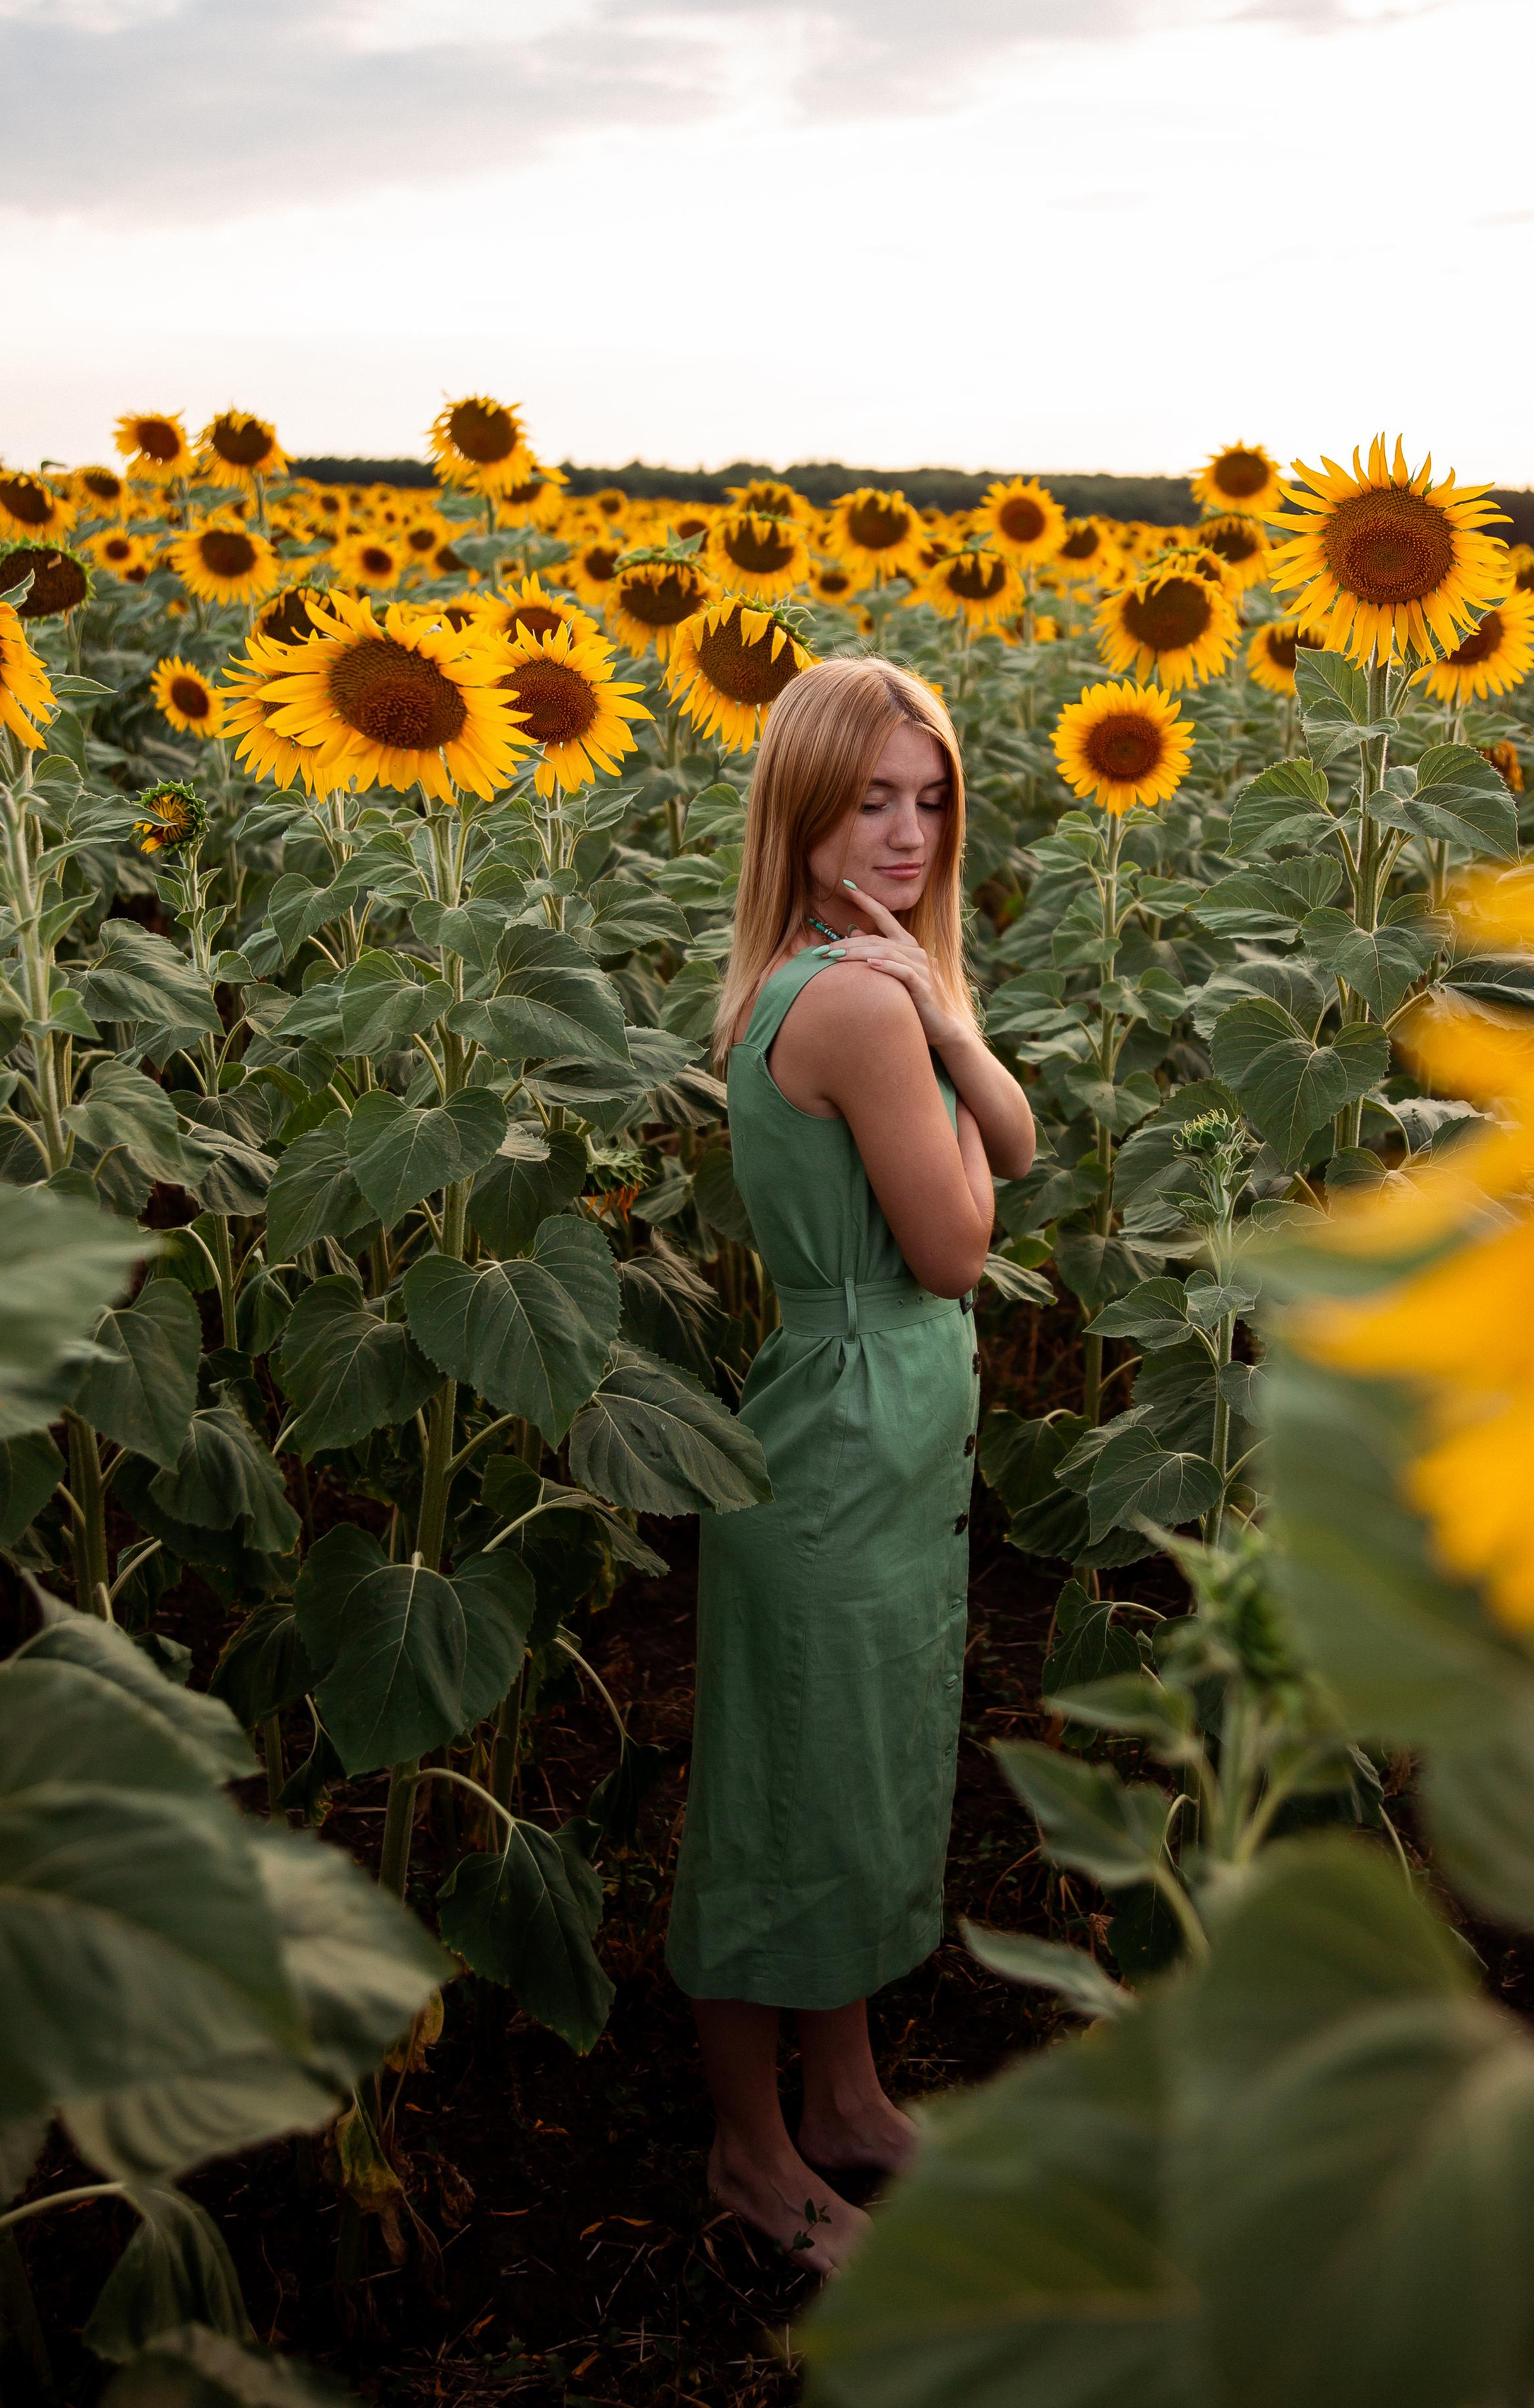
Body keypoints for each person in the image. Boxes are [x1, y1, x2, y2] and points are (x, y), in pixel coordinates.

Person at [666, 655, 1036, 2275]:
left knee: (862, 1760)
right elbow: (963, 1239)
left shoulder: (821, 979)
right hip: (848, 1420)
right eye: (872, 800)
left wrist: (948, 1030)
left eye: (930, 799)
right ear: (803, 809)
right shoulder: (862, 1002)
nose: (907, 834)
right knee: (781, 1794)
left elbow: (1007, 1141)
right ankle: (751, 2155)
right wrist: (946, 1034)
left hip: (864, 1421)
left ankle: (848, 2095)